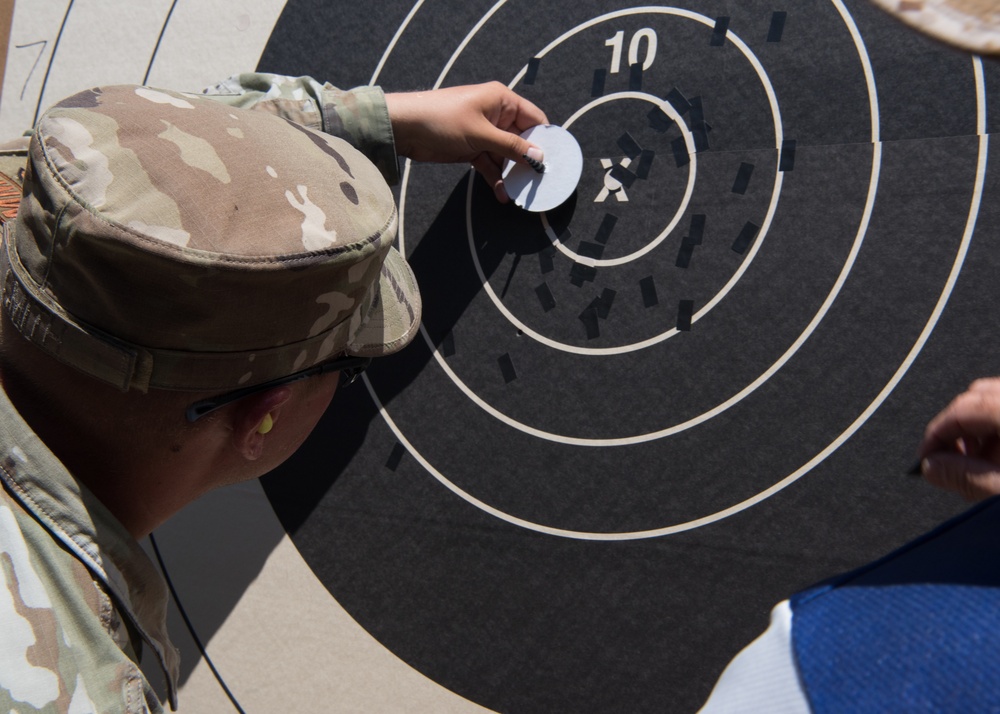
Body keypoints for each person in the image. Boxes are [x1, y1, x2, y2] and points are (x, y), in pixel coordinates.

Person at [0, 74, 546, 712]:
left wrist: (369, 118)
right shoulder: (76, 691)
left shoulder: (40, 212)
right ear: (263, 417)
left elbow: (121, 154)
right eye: (349, 363)